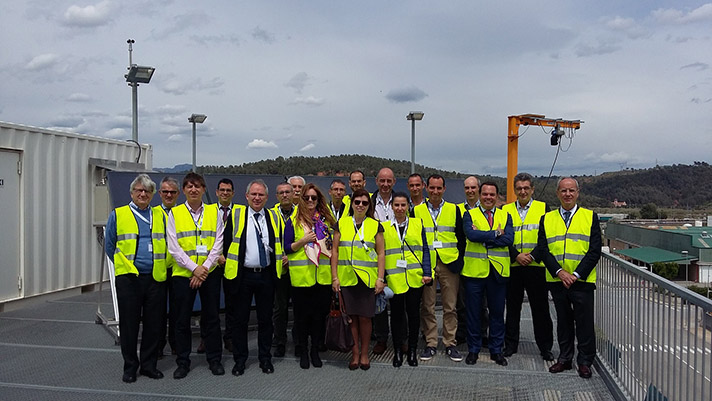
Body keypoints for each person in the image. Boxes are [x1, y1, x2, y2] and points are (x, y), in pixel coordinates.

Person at [105, 174, 167, 383]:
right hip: (129, 279)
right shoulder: (119, 214)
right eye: (139, 190)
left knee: (153, 325)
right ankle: (130, 367)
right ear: (132, 193)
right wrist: (125, 264)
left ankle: (149, 365)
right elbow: (110, 245)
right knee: (130, 325)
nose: (143, 194)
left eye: (147, 191)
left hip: (155, 277)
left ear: (152, 195)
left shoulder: (159, 216)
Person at [538, 177, 601, 379]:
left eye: (571, 191)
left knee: (584, 324)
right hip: (557, 280)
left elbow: (594, 251)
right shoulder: (547, 218)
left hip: (582, 281)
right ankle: (565, 359)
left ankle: (584, 362)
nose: (567, 194)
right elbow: (543, 250)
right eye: (563, 191)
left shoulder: (590, 217)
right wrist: (560, 272)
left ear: (577, 193)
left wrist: (575, 274)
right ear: (557, 193)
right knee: (563, 322)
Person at [167, 172, 225, 379]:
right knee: (181, 321)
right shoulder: (174, 214)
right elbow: (174, 248)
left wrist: (204, 269)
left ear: (203, 189)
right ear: (184, 190)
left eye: (197, 186)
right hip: (184, 274)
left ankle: (215, 359)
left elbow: (219, 242)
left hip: (209, 273)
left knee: (211, 318)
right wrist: (194, 269)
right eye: (189, 186)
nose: (193, 190)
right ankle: (183, 361)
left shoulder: (214, 212)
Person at [225, 179, 283, 376]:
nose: (257, 198)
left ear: (267, 197)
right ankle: (240, 360)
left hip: (266, 276)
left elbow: (280, 242)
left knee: (265, 320)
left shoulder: (274, 217)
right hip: (243, 276)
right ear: (247, 196)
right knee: (240, 321)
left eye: (261, 195)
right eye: (254, 194)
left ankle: (265, 359)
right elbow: (226, 242)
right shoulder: (236, 214)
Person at [413, 174, 466, 363]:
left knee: (450, 306)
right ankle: (431, 343)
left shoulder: (454, 209)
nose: (435, 191)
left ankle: (450, 343)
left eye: (439, 188)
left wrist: (458, 261)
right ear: (426, 188)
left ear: (444, 189)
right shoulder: (416, 211)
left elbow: (461, 238)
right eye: (432, 188)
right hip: (427, 264)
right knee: (427, 306)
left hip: (449, 263)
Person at [331, 188, 385, 370]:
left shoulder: (375, 225)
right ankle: (354, 353)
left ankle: (364, 354)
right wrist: (334, 277)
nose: (360, 205)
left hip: (367, 280)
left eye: (364, 202)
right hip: (347, 279)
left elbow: (381, 253)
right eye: (357, 202)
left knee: (365, 318)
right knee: (351, 318)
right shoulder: (342, 223)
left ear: (369, 205)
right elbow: (335, 251)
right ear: (352, 204)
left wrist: (380, 278)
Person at [501, 173, 554, 361]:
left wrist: (531, 256)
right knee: (513, 308)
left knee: (540, 309)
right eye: (519, 188)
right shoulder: (505, 210)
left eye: (526, 188)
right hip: (513, 266)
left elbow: (546, 238)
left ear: (532, 189)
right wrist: (516, 255)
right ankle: (510, 345)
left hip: (536, 267)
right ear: (514, 190)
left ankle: (545, 347)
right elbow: (503, 237)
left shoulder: (543, 208)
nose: (522, 191)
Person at [283, 183, 336, 369]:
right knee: (301, 318)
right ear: (301, 200)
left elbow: (333, 247)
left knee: (319, 318)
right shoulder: (294, 221)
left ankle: (315, 350)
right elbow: (287, 248)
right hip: (301, 279)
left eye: (314, 198)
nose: (311, 201)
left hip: (322, 278)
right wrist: (303, 241)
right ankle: (303, 350)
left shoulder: (326, 221)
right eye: (307, 198)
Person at [462, 181, 514, 366]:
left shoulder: (506, 215)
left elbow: (508, 239)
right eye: (485, 194)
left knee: (497, 313)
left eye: (492, 194)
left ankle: (496, 350)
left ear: (497, 196)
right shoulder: (469, 214)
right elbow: (471, 235)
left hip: (498, 272)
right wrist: (495, 234)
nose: (488, 197)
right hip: (474, 272)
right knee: (474, 313)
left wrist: (485, 237)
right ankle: (473, 349)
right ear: (479, 195)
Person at [383, 192, 432, 367]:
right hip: (395, 280)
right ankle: (397, 351)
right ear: (392, 207)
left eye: (403, 205)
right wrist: (382, 278)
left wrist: (427, 272)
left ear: (408, 206)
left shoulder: (418, 224)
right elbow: (381, 254)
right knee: (396, 316)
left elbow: (425, 249)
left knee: (413, 316)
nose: (400, 208)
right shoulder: (384, 227)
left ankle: (412, 351)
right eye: (396, 205)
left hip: (414, 278)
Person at [271, 181, 298, 358]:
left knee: (298, 309)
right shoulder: (270, 215)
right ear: (276, 196)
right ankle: (279, 341)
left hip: (298, 268)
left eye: (288, 192)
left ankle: (298, 342)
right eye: (281, 192)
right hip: (278, 269)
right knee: (279, 309)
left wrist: (291, 257)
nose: (285, 195)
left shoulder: (302, 213)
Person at [371, 167, 396, 355]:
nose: (385, 184)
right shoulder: (368, 202)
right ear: (376, 181)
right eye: (382, 181)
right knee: (378, 302)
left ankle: (399, 338)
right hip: (374, 260)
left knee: (398, 302)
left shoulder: (403, 201)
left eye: (389, 181)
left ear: (394, 182)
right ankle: (381, 338)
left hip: (397, 260)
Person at [456, 175, 483, 346]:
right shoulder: (457, 209)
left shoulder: (489, 208)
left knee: (483, 303)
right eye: (467, 188)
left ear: (478, 189)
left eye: (473, 187)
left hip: (483, 262)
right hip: (462, 260)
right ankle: (462, 332)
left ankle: (483, 333)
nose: (470, 191)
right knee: (462, 301)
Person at [157, 176, 179, 359]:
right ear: (159, 193)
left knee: (177, 310)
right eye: (165, 192)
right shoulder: (153, 213)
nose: (169, 195)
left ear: (178, 194)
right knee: (157, 310)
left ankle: (176, 344)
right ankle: (158, 345)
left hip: (179, 269)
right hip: (158, 269)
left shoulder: (183, 214)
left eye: (172, 192)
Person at [215, 178, 236, 354]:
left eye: (228, 190)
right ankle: (209, 340)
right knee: (211, 306)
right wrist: (217, 256)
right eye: (222, 190)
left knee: (231, 305)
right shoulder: (207, 212)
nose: (225, 193)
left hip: (233, 265)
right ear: (217, 192)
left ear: (233, 193)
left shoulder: (240, 212)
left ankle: (230, 337)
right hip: (213, 264)